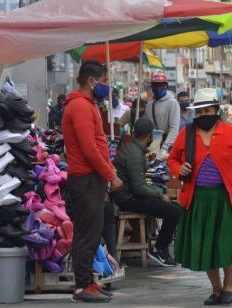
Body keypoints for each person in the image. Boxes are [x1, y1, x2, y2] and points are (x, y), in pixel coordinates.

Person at [168, 88, 232, 306]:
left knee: (226, 243)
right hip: (198, 199)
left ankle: (229, 284)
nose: (203, 116)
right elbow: (171, 160)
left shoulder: (230, 133)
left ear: (216, 110)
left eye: (207, 110)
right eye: (199, 112)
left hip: (226, 198)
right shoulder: (187, 134)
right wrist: (180, 170)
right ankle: (216, 289)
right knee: (205, 244)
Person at [62, 60, 123, 303]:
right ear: (92, 81)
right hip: (86, 178)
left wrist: (108, 168)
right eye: (106, 81)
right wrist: (111, 175)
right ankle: (83, 286)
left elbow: (96, 144)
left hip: (91, 177)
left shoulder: (87, 105)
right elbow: (89, 149)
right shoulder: (80, 107)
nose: (107, 86)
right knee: (87, 233)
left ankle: (87, 282)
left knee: (91, 231)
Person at [112, 118, 180, 267]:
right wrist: (160, 194)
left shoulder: (132, 148)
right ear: (149, 136)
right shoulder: (134, 154)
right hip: (129, 199)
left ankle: (160, 248)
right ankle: (159, 249)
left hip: (131, 195)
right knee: (174, 211)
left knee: (174, 207)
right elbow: (138, 187)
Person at [145, 72, 180, 159]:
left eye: (161, 85)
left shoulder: (172, 103)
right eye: (155, 85)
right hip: (153, 144)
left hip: (168, 145)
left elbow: (174, 128)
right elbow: (148, 127)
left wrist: (165, 147)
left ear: (166, 86)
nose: (158, 88)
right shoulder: (149, 105)